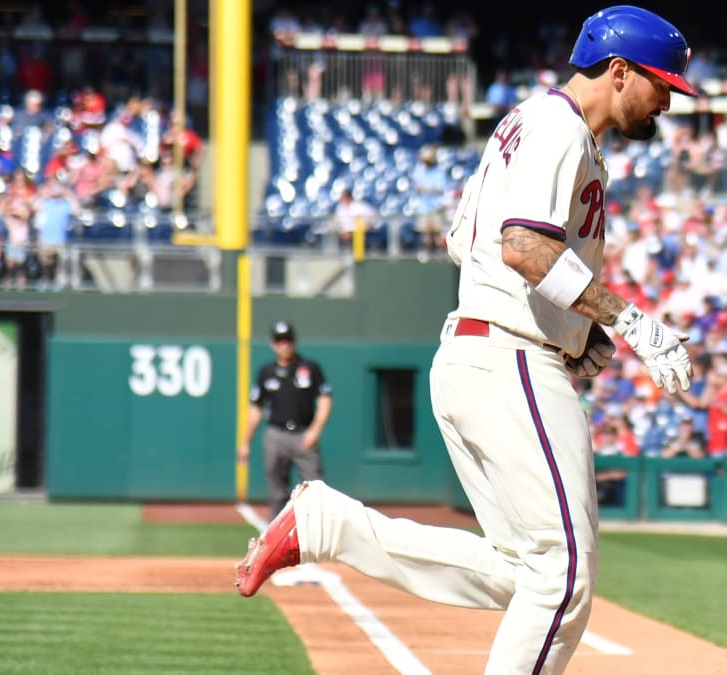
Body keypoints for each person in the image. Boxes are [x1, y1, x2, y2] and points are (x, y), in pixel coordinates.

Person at [235, 6, 696, 673]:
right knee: (563, 575)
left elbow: (463, 240)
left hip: (485, 352)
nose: (666, 101)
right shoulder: (555, 126)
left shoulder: (529, 126)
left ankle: (326, 525)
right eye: (660, 84)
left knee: (525, 571)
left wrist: (575, 326)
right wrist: (628, 321)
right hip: (510, 360)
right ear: (619, 72)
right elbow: (522, 246)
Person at [237, 321, 333, 520]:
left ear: (294, 341)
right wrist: (245, 442)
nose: (284, 345)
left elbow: (325, 401)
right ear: (273, 343)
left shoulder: (309, 367)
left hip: (303, 434)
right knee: (277, 493)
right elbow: (256, 408)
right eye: (279, 340)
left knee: (316, 490)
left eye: (287, 340)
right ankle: (280, 543)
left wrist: (315, 431)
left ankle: (319, 539)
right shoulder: (266, 372)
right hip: (276, 434)